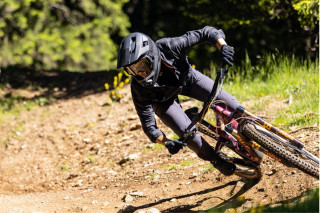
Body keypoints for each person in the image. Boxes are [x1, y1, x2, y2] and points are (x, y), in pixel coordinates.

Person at [117, 26, 247, 176]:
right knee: (191, 138)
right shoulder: (139, 88)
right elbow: (149, 126)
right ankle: (215, 160)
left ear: (151, 55)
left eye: (141, 65)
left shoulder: (169, 47)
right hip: (164, 102)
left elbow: (207, 32)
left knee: (231, 105)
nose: (139, 73)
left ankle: (252, 132)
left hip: (188, 80)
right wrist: (167, 142)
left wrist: (223, 46)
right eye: (131, 70)